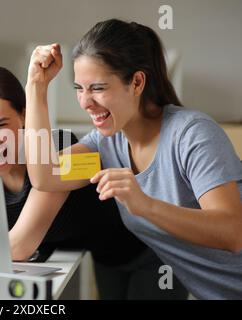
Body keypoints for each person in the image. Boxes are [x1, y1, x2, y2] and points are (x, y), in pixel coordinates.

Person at [0, 65, 188, 299]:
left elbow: (20, 247)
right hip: (107, 258)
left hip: (152, 251)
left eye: (0, 125)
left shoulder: (62, 147)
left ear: (24, 115)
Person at [24, 19, 242, 299]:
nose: (85, 102)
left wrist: (146, 205)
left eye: (98, 88)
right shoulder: (106, 145)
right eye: (79, 88)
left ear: (137, 82)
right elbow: (45, 175)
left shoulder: (192, 134)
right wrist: (36, 86)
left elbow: (233, 232)